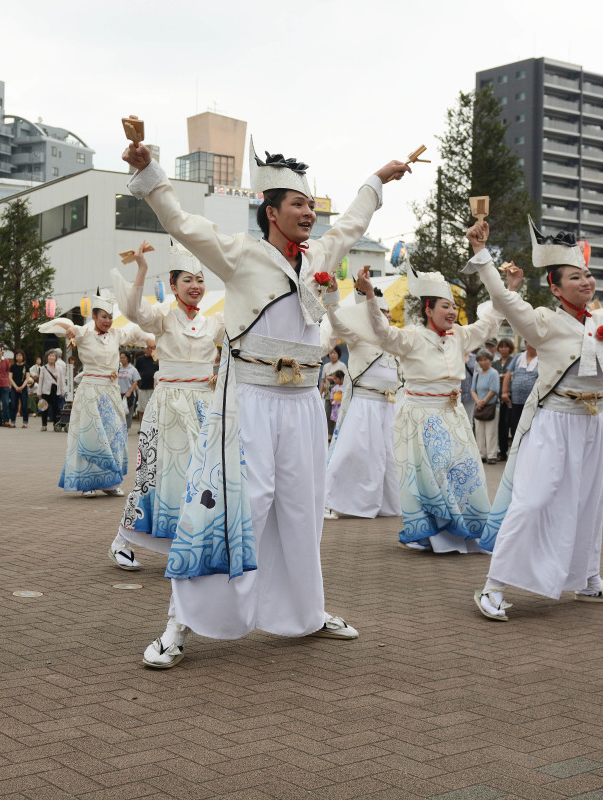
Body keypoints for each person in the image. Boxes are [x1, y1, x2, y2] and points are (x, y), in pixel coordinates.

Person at [123, 134, 408, 667]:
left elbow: (349, 223)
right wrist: (150, 172)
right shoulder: (241, 255)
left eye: (309, 204)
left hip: (303, 403)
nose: (308, 213)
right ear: (271, 211)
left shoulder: (319, 256)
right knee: (239, 509)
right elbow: (183, 223)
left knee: (302, 511)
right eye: (297, 204)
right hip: (249, 399)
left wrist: (376, 180)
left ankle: (306, 612)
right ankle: (179, 623)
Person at [464, 218, 603, 620]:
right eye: (575, 277)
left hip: (594, 422)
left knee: (589, 503)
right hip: (554, 422)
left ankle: (589, 580)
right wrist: (481, 253)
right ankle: (493, 586)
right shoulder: (543, 321)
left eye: (588, 274)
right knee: (534, 499)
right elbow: (504, 301)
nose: (586, 281)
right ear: (556, 288)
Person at [345, 257, 511, 552]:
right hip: (422, 414)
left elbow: (488, 324)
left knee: (464, 469)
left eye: (453, 306)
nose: (451, 311)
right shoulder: (411, 337)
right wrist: (370, 295)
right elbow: (383, 333)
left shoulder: (460, 335)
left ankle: (466, 528)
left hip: (455, 413)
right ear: (428, 310)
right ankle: (434, 534)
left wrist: (508, 288)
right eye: (444, 306)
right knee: (432, 474)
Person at [109, 241, 225, 573]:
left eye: (200, 280)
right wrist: (142, 268)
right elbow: (133, 312)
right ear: (172, 285)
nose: (195, 287)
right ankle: (121, 540)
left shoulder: (214, 323)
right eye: (187, 280)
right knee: (156, 476)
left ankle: (193, 544)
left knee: (204, 477)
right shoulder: (163, 317)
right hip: (169, 406)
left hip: (204, 406)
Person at [39, 294, 151, 497]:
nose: (107, 321)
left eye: (110, 317)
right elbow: (66, 328)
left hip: (111, 389)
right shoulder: (85, 332)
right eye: (103, 317)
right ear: (94, 316)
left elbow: (134, 333)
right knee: (91, 434)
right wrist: (70, 329)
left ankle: (110, 481)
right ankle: (87, 481)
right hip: (90, 389)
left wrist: (150, 339)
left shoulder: (116, 334)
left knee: (114, 434)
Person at [320, 289, 401, 520]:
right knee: (350, 451)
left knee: (388, 457)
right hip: (364, 402)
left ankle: (388, 504)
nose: (386, 316)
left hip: (389, 404)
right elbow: (336, 318)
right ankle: (330, 500)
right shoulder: (356, 333)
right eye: (380, 311)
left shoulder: (393, 337)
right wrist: (332, 296)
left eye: (387, 312)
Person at [502, 341, 538, 449]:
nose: (531, 345)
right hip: (516, 400)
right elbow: (508, 374)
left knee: (531, 428)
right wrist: (504, 392)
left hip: (533, 401)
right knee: (515, 426)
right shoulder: (518, 357)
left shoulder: (541, 358)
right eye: (528, 342)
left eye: (532, 342)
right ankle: (515, 451)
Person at [472, 349, 500, 464]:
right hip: (479, 406)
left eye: (486, 359)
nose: (483, 362)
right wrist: (478, 401)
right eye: (480, 360)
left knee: (491, 432)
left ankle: (491, 455)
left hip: (491, 406)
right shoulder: (477, 375)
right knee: (479, 431)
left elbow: (493, 390)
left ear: (490, 360)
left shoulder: (493, 373)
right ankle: (481, 454)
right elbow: (472, 390)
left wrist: (483, 402)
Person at [491, 338, 515, 458]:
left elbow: (513, 376)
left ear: (510, 348)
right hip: (496, 397)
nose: (503, 349)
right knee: (500, 426)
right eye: (501, 347)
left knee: (509, 424)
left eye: (506, 347)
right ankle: (502, 451)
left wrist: (504, 376)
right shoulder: (495, 363)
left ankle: (513, 451)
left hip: (510, 397)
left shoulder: (513, 360)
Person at [37, 349, 66, 431]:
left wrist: (63, 391)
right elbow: (40, 380)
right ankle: (44, 424)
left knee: (55, 408)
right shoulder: (43, 368)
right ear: (47, 358)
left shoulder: (59, 368)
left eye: (53, 356)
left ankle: (55, 425)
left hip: (55, 390)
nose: (51, 357)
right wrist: (39, 392)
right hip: (45, 390)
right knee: (44, 408)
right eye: (50, 356)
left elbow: (62, 380)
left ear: (56, 358)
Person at [134, 341, 159, 422]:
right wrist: (137, 387)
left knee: (154, 410)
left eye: (151, 348)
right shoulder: (140, 359)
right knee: (142, 410)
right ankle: (142, 428)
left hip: (154, 389)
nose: (150, 350)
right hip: (143, 387)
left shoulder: (156, 359)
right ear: (145, 349)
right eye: (148, 348)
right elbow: (136, 373)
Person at [8, 349, 31, 428]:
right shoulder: (13, 366)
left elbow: (27, 378)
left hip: (23, 388)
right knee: (13, 405)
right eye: (17, 355)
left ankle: (25, 422)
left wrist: (22, 387)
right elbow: (10, 378)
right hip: (14, 388)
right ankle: (13, 422)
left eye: (20, 355)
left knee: (24, 405)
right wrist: (16, 387)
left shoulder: (26, 367)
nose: (18, 357)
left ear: (23, 356)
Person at [117, 351, 141, 427]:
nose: (122, 359)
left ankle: (126, 429)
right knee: (119, 413)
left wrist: (130, 391)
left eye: (124, 358)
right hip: (118, 393)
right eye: (121, 358)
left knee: (128, 413)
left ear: (128, 358)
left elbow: (135, 382)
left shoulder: (133, 369)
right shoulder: (118, 369)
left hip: (128, 395)